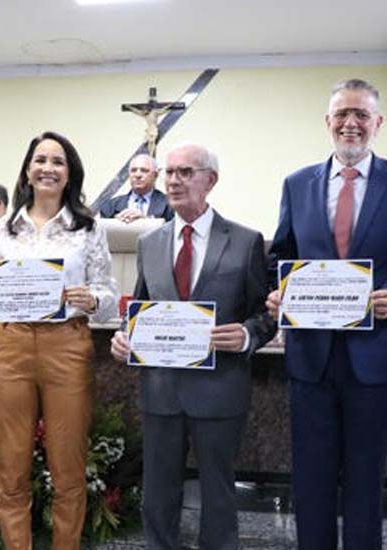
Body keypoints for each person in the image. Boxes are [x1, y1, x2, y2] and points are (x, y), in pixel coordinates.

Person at [265, 79, 387, 549]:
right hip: (311, 359)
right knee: (311, 479)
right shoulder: (297, 184)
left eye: (361, 114)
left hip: (375, 357)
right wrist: (279, 291)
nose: (351, 123)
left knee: (366, 480)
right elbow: (280, 255)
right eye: (342, 113)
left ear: (378, 123)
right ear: (327, 122)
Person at [0, 131, 118, 550]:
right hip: (10, 346)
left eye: (58, 161)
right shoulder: (0, 231)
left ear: (69, 173)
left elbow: (109, 296)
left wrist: (92, 297)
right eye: (40, 160)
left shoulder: (88, 228)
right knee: (10, 468)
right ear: (27, 169)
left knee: (68, 469)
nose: (48, 167)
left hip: (67, 345)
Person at [109, 143, 276, 550]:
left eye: (185, 172)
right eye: (169, 173)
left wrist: (248, 335)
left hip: (219, 391)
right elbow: (140, 310)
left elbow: (266, 314)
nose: (173, 181)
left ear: (210, 180)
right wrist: (125, 340)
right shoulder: (149, 243)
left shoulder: (245, 240)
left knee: (218, 496)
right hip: (161, 391)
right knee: (157, 495)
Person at [98, 154, 174, 223]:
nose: (138, 175)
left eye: (144, 170)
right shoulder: (110, 206)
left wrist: (147, 221)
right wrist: (117, 223)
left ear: (155, 175)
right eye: (133, 170)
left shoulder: (171, 205)